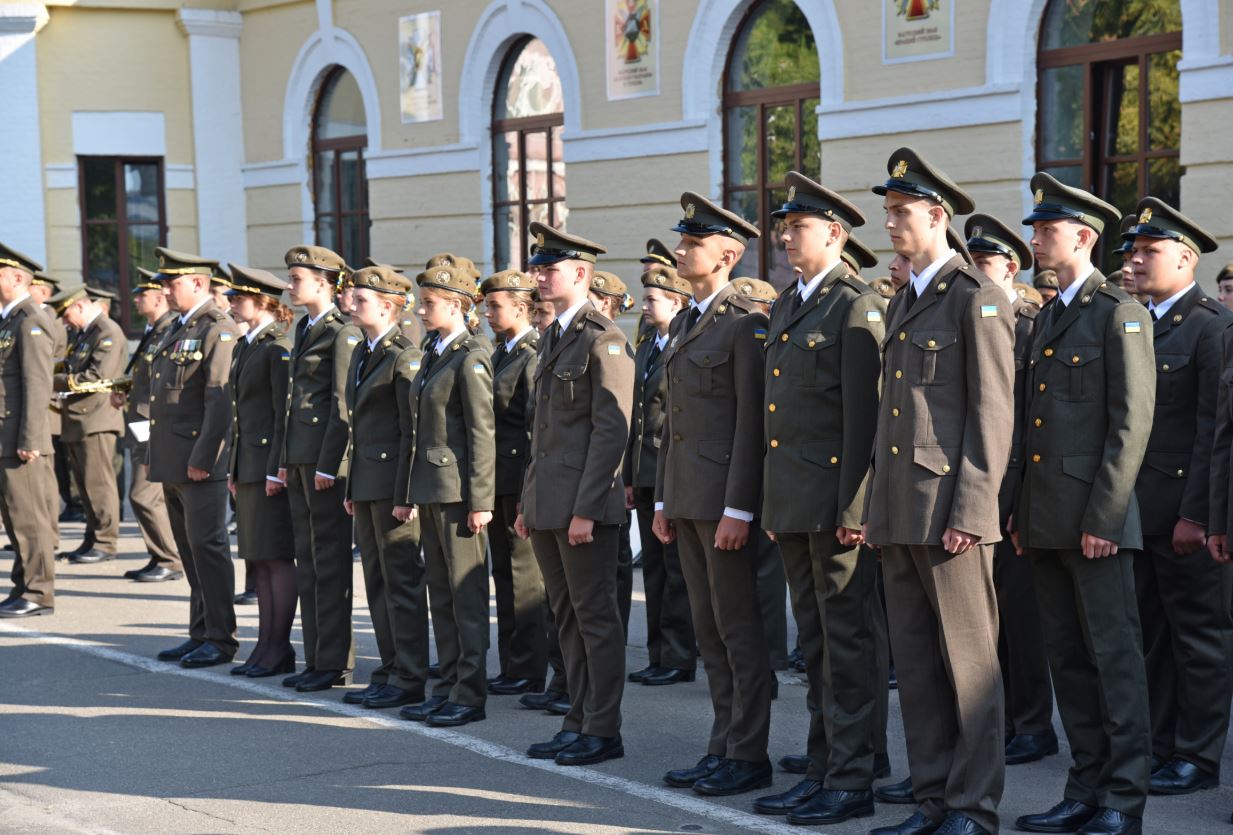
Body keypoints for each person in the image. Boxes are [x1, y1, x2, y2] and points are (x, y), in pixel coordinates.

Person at [862, 148, 1014, 835]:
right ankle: (931, 799)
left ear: (936, 215)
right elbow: (892, 417)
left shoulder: (973, 296)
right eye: (887, 211)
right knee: (919, 669)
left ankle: (971, 807)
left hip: (949, 512)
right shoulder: (907, 297)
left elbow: (991, 412)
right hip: (899, 511)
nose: (890, 222)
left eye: (901, 212)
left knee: (968, 668)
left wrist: (974, 510)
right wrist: (874, 508)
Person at [1011, 173, 1153, 835]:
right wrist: (1017, 510)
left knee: (1114, 659)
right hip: (1045, 520)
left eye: (1047, 228)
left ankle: (1122, 798)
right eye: (1035, 227)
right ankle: (1084, 785)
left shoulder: (1116, 311)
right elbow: (1031, 424)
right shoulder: (1049, 314)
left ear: (1084, 237)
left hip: (1094, 521)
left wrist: (1103, 517)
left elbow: (1129, 426)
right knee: (1067, 660)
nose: (1035, 237)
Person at [753, 172, 887, 825]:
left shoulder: (854, 304)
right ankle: (820, 767)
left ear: (832, 234)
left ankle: (852, 775)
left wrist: (853, 510)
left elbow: (863, 421)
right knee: (814, 645)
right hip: (795, 502)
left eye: (796, 226)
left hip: (835, 507)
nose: (783, 236)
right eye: (783, 226)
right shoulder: (788, 302)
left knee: (847, 644)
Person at [654, 192, 772, 797]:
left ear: (726, 254)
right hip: (688, 499)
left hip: (722, 503)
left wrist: (739, 507)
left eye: (692, 243)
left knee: (737, 630)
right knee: (709, 629)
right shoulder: (685, 320)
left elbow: (753, 423)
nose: (680, 250)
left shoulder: (743, 324)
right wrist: (662, 501)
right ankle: (721, 745)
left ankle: (748, 753)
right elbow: (674, 420)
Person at [1123, 199, 1233, 796]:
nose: (1136, 261)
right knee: (1151, 639)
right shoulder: (1137, 320)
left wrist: (1198, 513)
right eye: (1133, 252)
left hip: (1185, 518)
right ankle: (1160, 745)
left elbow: (1214, 429)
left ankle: (1197, 754)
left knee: (1200, 639)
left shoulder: (1213, 327)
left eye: (1149, 251)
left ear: (1186, 258)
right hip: (1137, 514)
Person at [514, 221, 633, 766]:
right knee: (566, 619)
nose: (539, 276)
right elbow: (542, 434)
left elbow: (612, 430)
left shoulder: (601, 336)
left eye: (549, 268)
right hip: (548, 503)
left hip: (583, 507)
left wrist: (587, 508)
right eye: (537, 267)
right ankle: (577, 718)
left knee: (595, 620)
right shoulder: (555, 335)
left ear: (581, 273)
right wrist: (526, 504)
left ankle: (603, 729)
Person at [964, 213, 1058, 767]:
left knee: (1020, 616)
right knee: (984, 618)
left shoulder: (1028, 321)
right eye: (971, 262)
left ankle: (1033, 722)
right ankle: (996, 719)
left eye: (985, 263)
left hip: (1015, 488)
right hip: (979, 486)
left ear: (1011, 267)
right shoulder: (971, 316)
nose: (976, 272)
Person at [397, 264, 495, 727]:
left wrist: (481, 500)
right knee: (441, 593)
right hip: (433, 488)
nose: (420, 308)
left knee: (465, 595)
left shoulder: (471, 355)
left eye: (429, 302)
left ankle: (470, 693)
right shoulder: (435, 350)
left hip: (459, 494)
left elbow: (482, 432)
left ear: (455, 305)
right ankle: (448, 685)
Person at [148, 247, 241, 667]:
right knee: (189, 551)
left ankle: (221, 638)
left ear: (199, 284)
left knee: (208, 547)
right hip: (174, 458)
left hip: (200, 461)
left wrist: (205, 456)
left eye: (173, 282)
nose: (165, 289)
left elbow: (219, 400)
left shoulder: (218, 329)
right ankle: (200, 631)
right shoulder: (179, 327)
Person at [279, 245, 361, 693]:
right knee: (307, 561)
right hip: (299, 459)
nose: (291, 286)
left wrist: (331, 464)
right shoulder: (305, 328)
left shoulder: (340, 332)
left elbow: (341, 406)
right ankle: (315, 658)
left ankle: (334, 662)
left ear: (324, 284)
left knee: (329, 562)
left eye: (297, 279)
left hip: (323, 464)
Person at [223, 265, 298, 678]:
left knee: (275, 558)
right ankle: (266, 644)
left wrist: (276, 469)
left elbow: (281, 417)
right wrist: (235, 467)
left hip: (268, 468)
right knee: (259, 561)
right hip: (249, 466)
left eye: (238, 298)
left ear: (263, 302)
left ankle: (278, 646)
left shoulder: (276, 348)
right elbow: (241, 417)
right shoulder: (246, 345)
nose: (232, 304)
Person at [624, 264, 697, 687]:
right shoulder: (650, 345)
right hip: (647, 469)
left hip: (673, 469)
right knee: (653, 569)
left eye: (654, 299)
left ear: (677, 301)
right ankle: (658, 652)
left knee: (675, 568)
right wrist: (632, 475)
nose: (647, 306)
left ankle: (679, 655)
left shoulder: (684, 342)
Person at [480, 269, 549, 697]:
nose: (487, 313)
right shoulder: (501, 351)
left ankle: (528, 666)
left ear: (521, 308)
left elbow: (532, 429)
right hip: (498, 479)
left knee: (525, 578)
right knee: (503, 575)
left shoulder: (530, 354)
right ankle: (511, 663)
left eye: (495, 306)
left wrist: (528, 489)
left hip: (518, 477)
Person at [49, 286, 125, 566]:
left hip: (96, 419)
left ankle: (106, 541)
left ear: (80, 307)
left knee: (98, 484)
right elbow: (70, 367)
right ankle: (92, 537)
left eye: (67, 315)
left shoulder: (107, 331)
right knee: (84, 485)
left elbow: (96, 376)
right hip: (78, 419)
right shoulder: (85, 334)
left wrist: (49, 378)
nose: (66, 322)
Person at [0, 244, 56, 618]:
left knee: (30, 518)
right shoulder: (8, 320)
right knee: (14, 517)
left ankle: (38, 592)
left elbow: (38, 384)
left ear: (18, 278)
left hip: (21, 438)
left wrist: (31, 439)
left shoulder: (30, 320)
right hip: (7, 435)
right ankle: (23, 584)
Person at [116, 271, 183, 582]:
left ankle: (169, 558)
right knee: (146, 495)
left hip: (151, 423)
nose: (137, 299)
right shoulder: (155, 331)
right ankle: (160, 556)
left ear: (158, 298)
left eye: (143, 295)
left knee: (144, 495)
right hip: (141, 419)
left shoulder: (169, 329)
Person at [587, 269, 637, 639]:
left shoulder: (612, 343)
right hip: (601, 475)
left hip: (612, 476)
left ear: (604, 302)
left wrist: (629, 476)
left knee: (613, 569)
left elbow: (620, 424)